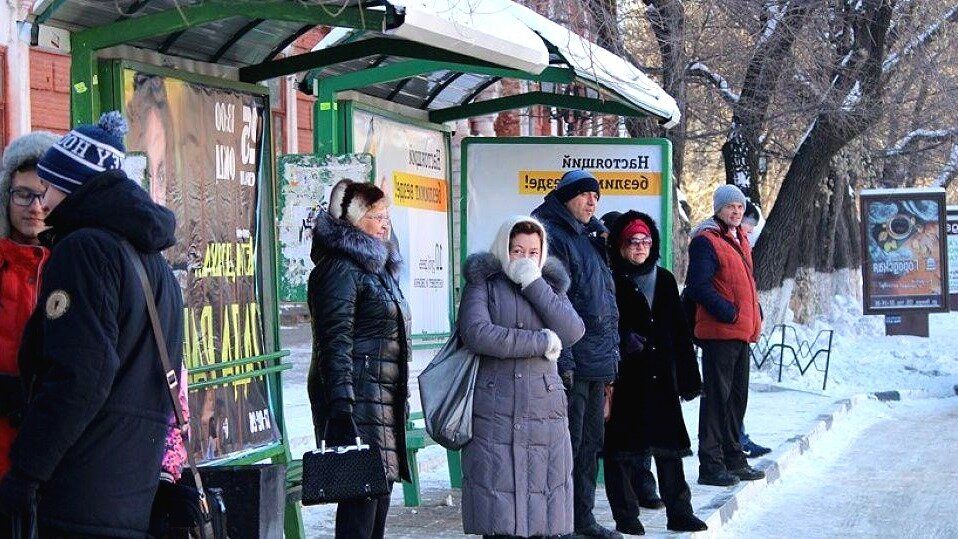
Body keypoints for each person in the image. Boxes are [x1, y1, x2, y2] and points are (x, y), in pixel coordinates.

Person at [0, 112, 184, 536]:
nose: (42, 202)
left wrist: (25, 472)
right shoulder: (153, 262)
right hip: (130, 493)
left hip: (79, 489)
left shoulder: (83, 250)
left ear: (71, 183)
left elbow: (80, 377)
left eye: (48, 186)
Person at [458, 216, 586, 538]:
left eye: (533, 252)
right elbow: (477, 333)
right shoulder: (484, 282)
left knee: (541, 511)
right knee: (498, 510)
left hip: (544, 410)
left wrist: (534, 283)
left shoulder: (549, 285)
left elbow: (572, 330)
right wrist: (541, 342)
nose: (524, 259)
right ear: (504, 248)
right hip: (495, 407)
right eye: (517, 251)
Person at [307, 178, 411, 539]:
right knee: (359, 510)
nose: (384, 225)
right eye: (376, 217)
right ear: (353, 221)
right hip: (357, 405)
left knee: (377, 503)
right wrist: (341, 408)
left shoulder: (376, 268)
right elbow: (333, 342)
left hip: (381, 401)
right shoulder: (339, 269)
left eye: (387, 217)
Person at [603, 211, 708, 534]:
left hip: (661, 378)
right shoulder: (610, 279)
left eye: (645, 241)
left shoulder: (663, 279)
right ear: (620, 245)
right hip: (625, 379)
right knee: (621, 451)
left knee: (669, 449)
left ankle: (680, 512)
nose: (639, 247)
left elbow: (679, 330)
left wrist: (689, 377)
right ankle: (626, 516)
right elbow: (601, 323)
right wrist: (622, 339)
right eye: (632, 241)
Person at [532, 169, 621, 539]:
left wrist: (612, 357)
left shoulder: (590, 236)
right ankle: (560, 522)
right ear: (567, 196)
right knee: (565, 446)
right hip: (572, 360)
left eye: (596, 196)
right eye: (585, 194)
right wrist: (565, 359)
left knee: (589, 445)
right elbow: (554, 303)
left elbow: (605, 300)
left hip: (596, 358)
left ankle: (582, 518)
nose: (592, 202)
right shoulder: (552, 234)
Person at [686, 184, 765, 487]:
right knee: (717, 400)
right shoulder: (706, 240)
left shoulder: (739, 238)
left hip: (741, 332)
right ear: (718, 208)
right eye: (730, 206)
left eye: (740, 207)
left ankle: (734, 458)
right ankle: (711, 464)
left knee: (736, 400)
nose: (736, 211)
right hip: (720, 332)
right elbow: (698, 286)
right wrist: (729, 313)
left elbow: (745, 283)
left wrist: (755, 312)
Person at [0, 132, 57, 479]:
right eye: (23, 194)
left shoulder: (74, 265)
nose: (34, 207)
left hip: (51, 454)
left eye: (43, 194)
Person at [598, 211, 662, 512]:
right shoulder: (603, 270)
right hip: (610, 360)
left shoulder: (644, 272)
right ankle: (626, 488)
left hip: (639, 360)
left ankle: (644, 484)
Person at [738, 201, 771, 459]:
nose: (749, 232)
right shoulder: (719, 241)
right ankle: (735, 441)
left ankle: (739, 438)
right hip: (725, 330)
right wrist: (733, 314)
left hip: (740, 329)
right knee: (726, 395)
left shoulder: (742, 245)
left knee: (736, 393)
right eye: (748, 227)